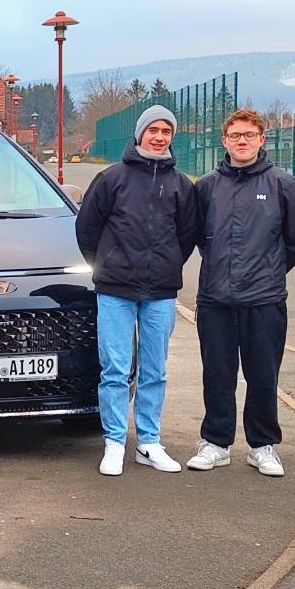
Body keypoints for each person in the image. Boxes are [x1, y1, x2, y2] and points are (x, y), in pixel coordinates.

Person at [76, 105, 198, 476]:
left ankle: (148, 442)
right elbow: (87, 230)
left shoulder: (181, 185)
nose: (159, 137)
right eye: (153, 130)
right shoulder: (111, 179)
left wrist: (168, 263)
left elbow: (187, 235)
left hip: (160, 291)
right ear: (140, 133)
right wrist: (107, 264)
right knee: (114, 368)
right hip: (115, 289)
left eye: (166, 131)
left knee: (154, 369)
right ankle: (114, 442)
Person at [186, 107, 295, 477]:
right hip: (215, 299)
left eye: (249, 135)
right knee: (217, 374)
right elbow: (197, 238)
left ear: (261, 140)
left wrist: (266, 273)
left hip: (265, 300)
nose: (242, 141)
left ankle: (262, 445)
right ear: (224, 140)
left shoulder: (284, 186)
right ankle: (216, 443)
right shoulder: (206, 187)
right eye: (235, 135)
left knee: (263, 375)